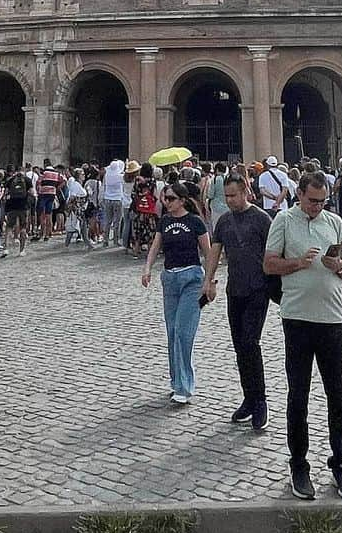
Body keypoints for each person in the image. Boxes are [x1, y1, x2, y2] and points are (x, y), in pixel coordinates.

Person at [264, 171, 342, 501]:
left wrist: (338, 267)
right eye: (312, 200)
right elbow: (269, 265)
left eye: (323, 201)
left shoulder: (334, 222)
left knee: (339, 397)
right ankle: (299, 465)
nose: (317, 206)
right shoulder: (284, 221)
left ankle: (340, 464)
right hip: (297, 319)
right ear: (299, 194)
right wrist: (297, 263)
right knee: (298, 396)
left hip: (333, 319)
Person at [203, 173, 273, 432]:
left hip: (258, 289)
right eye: (227, 196)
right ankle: (249, 397)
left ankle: (261, 401)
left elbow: (275, 251)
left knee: (250, 343)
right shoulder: (224, 221)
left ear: (246, 192)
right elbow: (215, 250)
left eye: (233, 195)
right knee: (239, 347)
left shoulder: (261, 219)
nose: (229, 200)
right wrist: (208, 280)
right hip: (235, 289)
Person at [140, 181, 211, 406]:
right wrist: (147, 268)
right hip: (170, 279)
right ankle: (176, 380)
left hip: (192, 279)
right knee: (172, 332)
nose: (166, 202)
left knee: (183, 331)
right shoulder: (165, 221)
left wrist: (211, 282)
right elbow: (155, 246)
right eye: (165, 198)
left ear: (182, 200)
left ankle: (184, 385)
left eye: (170, 198)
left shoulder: (195, 222)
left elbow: (209, 253)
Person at [2, 165, 32, 256]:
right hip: (23, 206)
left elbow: (5, 193)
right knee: (23, 227)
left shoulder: (10, 180)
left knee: (9, 227)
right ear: (23, 171)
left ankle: (6, 249)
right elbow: (32, 192)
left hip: (12, 206)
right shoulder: (27, 180)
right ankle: (22, 251)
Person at [101, 158, 125, 246]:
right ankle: (115, 240)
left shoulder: (107, 175)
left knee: (108, 221)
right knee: (117, 221)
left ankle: (105, 240)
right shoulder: (120, 176)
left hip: (107, 199)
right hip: (118, 199)